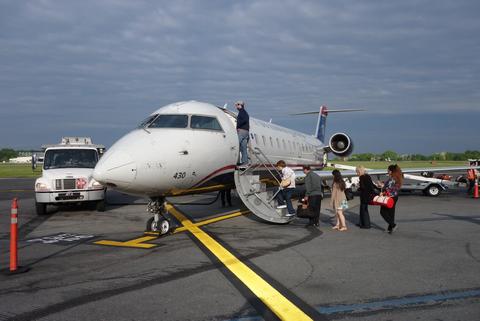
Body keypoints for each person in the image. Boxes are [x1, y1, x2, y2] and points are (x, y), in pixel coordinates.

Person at [377, 164, 403, 234]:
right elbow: (390, 186)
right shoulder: (396, 177)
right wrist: (383, 184)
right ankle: (390, 229)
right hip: (394, 197)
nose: (387, 171)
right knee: (391, 213)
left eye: (388, 170)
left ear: (391, 171)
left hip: (389, 198)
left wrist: (382, 192)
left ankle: (393, 225)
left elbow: (389, 189)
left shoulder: (392, 179)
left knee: (383, 212)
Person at [235, 101, 250, 167]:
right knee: (243, 148)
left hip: (241, 131)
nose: (236, 106)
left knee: (235, 145)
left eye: (237, 105)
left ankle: (234, 162)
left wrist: (238, 126)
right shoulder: (244, 112)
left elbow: (244, 120)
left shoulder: (242, 112)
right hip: (246, 132)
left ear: (240, 105)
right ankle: (245, 162)